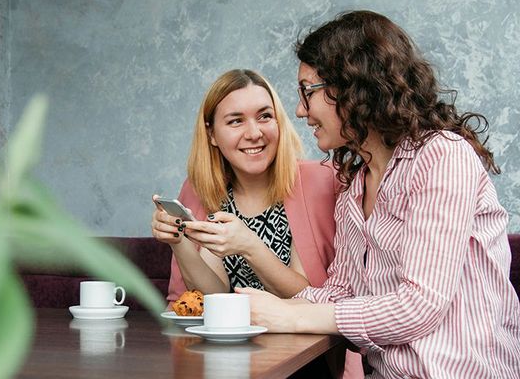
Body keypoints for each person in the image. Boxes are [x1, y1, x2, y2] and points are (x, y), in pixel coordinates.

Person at [236, 11, 520, 378]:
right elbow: (341, 294)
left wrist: (292, 315)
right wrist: (256, 307)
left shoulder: (441, 155)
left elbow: (419, 305)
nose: (299, 111)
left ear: (353, 85)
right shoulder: (353, 188)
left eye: (306, 91)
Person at [150, 69, 363, 377]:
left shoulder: (321, 181)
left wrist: (249, 245)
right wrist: (180, 241)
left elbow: (311, 298)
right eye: (236, 121)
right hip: (226, 360)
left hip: (310, 363)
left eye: (264, 116)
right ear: (211, 134)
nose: (254, 133)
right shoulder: (199, 190)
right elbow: (214, 298)